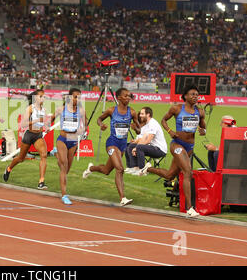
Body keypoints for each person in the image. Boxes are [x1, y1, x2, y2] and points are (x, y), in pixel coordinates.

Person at [142, 85, 207, 218]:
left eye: (197, 95)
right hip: (177, 144)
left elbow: (203, 126)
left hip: (189, 147)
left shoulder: (200, 112)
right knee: (188, 171)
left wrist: (203, 131)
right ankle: (190, 208)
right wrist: (170, 131)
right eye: (192, 94)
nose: (195, 97)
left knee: (170, 175)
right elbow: (163, 120)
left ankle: (147, 168)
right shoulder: (176, 108)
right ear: (185, 96)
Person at [82, 88, 140, 206]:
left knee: (106, 170)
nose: (128, 98)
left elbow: (139, 130)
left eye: (129, 96)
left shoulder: (132, 112)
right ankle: (123, 198)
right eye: (125, 96)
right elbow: (99, 119)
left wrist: (136, 128)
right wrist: (101, 125)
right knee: (120, 169)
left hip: (123, 145)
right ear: (118, 98)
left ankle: (91, 168)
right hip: (112, 143)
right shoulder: (111, 110)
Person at [2, 89, 49, 189]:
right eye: (41, 96)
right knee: (20, 158)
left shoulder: (43, 110)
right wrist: (35, 120)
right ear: (35, 98)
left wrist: (46, 126)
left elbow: (43, 122)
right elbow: (23, 124)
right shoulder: (30, 109)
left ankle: (41, 181)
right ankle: (9, 168)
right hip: (29, 135)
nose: (43, 98)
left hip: (38, 136)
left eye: (44, 96)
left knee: (44, 155)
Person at [51, 88, 87, 204]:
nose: (78, 99)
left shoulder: (81, 111)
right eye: (76, 97)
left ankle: (56, 154)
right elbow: (50, 119)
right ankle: (64, 195)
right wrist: (46, 125)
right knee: (64, 165)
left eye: (79, 97)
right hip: (62, 139)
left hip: (73, 140)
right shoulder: (61, 109)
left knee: (66, 169)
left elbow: (85, 124)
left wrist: (84, 130)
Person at [124, 107, 167, 175]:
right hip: (152, 147)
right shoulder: (148, 123)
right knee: (131, 145)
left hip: (160, 150)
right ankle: (133, 168)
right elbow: (144, 138)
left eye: (142, 114)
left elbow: (148, 140)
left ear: (148, 114)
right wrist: (135, 144)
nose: (140, 115)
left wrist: (136, 148)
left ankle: (142, 170)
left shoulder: (153, 123)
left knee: (139, 147)